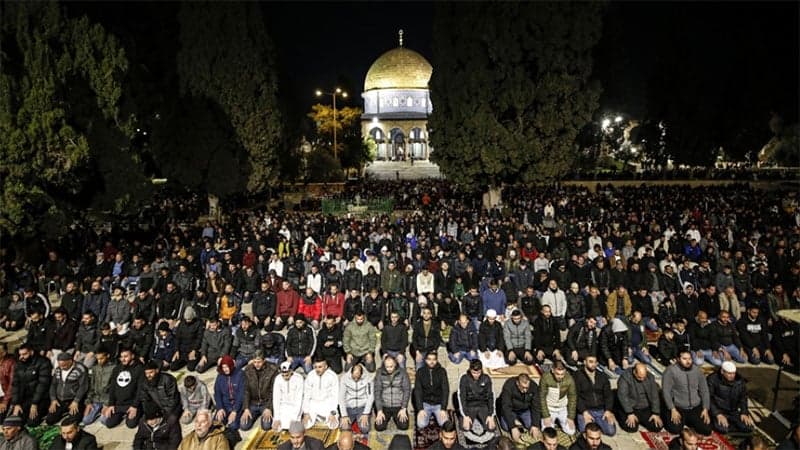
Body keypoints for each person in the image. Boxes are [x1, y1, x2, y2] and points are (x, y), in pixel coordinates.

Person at [662, 349, 712, 436]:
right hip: (678, 407)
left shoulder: (697, 371)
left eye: (689, 358)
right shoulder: (670, 371)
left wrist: (705, 408)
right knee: (675, 429)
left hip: (695, 407)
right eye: (684, 359)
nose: (688, 361)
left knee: (707, 430)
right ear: (678, 359)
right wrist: (672, 409)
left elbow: (704, 390)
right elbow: (666, 391)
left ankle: (689, 421)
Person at [573, 354, 616, 436]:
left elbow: (608, 395)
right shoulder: (577, 376)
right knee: (584, 431)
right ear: (584, 362)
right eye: (590, 362)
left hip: (600, 410)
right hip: (585, 410)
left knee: (611, 431)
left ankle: (596, 423)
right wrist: (584, 412)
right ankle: (594, 424)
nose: (593, 364)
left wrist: (608, 410)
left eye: (595, 362)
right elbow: (576, 396)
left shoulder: (602, 376)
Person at [101, 347, 143, 428]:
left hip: (132, 404)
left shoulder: (139, 369)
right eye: (121, 357)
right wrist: (111, 405)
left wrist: (135, 406)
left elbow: (140, 390)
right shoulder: (117, 369)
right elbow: (112, 388)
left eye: (126, 356)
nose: (123, 359)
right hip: (119, 404)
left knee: (131, 424)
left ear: (132, 356)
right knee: (109, 424)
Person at [707, 361, 754, 434]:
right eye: (729, 373)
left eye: (733, 373)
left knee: (748, 427)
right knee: (723, 429)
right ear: (722, 371)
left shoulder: (740, 381)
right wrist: (717, 414)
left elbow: (743, 398)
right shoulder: (712, 379)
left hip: (733, 411)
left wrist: (744, 412)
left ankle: (730, 424)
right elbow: (709, 398)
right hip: (718, 410)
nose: (732, 376)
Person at [615, 363, 663, 433]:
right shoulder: (625, 378)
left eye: (644, 377)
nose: (642, 379)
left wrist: (655, 413)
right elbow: (623, 396)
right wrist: (630, 413)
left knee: (657, 427)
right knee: (631, 428)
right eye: (639, 377)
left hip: (645, 407)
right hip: (631, 406)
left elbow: (654, 395)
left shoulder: (650, 377)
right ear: (634, 372)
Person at [46, 351, 88, 425]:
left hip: (73, 400)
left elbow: (83, 386)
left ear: (71, 361)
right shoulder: (58, 369)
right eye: (60, 365)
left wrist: (76, 401)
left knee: (73, 421)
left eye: (64, 365)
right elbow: (53, 385)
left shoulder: (80, 369)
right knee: (49, 420)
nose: (62, 367)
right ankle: (64, 411)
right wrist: (53, 399)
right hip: (60, 400)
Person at [241, 351, 279, 432]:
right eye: (254, 362)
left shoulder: (272, 370)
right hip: (253, 403)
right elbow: (246, 390)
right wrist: (246, 408)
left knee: (266, 426)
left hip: (266, 402)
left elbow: (274, 391)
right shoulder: (248, 370)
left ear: (264, 360)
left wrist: (269, 408)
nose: (256, 364)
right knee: (244, 426)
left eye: (259, 362)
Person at [498, 374, 541, 444]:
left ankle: (518, 422)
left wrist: (535, 425)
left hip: (524, 410)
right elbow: (506, 407)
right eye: (523, 387)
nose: (525, 390)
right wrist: (513, 427)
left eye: (527, 388)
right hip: (511, 410)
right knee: (506, 427)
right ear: (517, 383)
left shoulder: (534, 386)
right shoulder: (509, 385)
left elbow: (536, 406)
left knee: (530, 425)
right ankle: (515, 422)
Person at [136, 361, 182, 427]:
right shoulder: (145, 382)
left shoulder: (168, 379)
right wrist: (152, 414)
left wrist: (162, 415)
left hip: (172, 408)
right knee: (143, 422)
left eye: (151, 372)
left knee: (170, 422)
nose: (148, 375)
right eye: (146, 373)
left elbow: (173, 400)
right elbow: (145, 400)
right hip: (158, 408)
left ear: (157, 370)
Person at [457, 359, 496, 435]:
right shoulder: (464, 379)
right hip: (469, 405)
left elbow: (491, 397)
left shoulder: (486, 378)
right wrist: (465, 415)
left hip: (482, 405)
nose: (476, 375)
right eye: (474, 373)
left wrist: (491, 415)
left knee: (491, 428)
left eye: (478, 373)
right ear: (470, 370)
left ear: (481, 370)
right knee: (465, 428)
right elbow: (461, 397)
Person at [413, 351, 449, 430]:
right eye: (429, 359)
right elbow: (418, 391)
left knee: (444, 423)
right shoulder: (420, 372)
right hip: (425, 403)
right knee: (421, 424)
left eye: (434, 359)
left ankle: (436, 414)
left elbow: (445, 390)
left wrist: (443, 408)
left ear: (436, 360)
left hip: (438, 403)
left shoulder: (442, 371)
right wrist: (420, 409)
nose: (431, 362)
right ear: (425, 360)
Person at [374, 355, 411, 432]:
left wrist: (403, 408)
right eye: (387, 367)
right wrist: (379, 410)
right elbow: (377, 392)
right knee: (379, 427)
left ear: (395, 364)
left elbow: (407, 390)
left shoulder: (403, 373)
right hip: (384, 405)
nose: (389, 369)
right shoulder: (379, 373)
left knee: (403, 426)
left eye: (391, 366)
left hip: (398, 405)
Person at [81, 347, 116, 426]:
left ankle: (103, 412)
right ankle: (98, 411)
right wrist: (88, 402)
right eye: (97, 359)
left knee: (104, 421)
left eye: (101, 358)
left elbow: (114, 389)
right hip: (96, 399)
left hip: (108, 399)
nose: (99, 361)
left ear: (107, 356)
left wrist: (107, 404)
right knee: (86, 421)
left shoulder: (114, 368)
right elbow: (91, 387)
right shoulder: (95, 368)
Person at [539, 361, 576, 435]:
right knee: (547, 432)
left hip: (562, 408)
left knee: (571, 431)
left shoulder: (569, 379)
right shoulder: (545, 378)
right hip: (549, 408)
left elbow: (572, 397)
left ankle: (559, 422)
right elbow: (542, 397)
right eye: (557, 374)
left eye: (562, 374)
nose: (560, 376)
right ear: (553, 370)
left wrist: (570, 417)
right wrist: (546, 415)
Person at [302, 357, 340, 429]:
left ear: (326, 366)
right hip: (313, 403)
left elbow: (335, 396)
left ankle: (320, 419)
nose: (317, 369)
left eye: (320, 367)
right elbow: (306, 395)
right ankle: (318, 418)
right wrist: (306, 412)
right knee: (305, 425)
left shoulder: (332, 376)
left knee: (333, 426)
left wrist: (332, 412)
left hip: (327, 403)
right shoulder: (310, 375)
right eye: (315, 367)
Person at [339, 364, 374, 435]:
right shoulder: (344, 378)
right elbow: (341, 397)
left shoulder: (368, 379)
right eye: (354, 377)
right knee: (344, 428)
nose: (356, 379)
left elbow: (371, 397)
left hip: (362, 407)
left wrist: (366, 413)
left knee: (365, 429)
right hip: (349, 407)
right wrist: (344, 415)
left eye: (358, 377)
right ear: (351, 373)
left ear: (362, 374)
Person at [213, 355, 244, 433]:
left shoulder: (240, 374)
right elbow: (217, 393)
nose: (225, 369)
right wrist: (220, 408)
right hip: (225, 405)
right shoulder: (220, 377)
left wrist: (235, 411)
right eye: (223, 367)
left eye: (227, 367)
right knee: (216, 423)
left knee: (232, 426)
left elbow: (241, 395)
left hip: (237, 405)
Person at [272, 361, 304, 431]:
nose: (284, 377)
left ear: (291, 371)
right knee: (277, 428)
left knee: (294, 429)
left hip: (295, 406)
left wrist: (294, 417)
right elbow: (276, 398)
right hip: (283, 406)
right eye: (282, 375)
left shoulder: (299, 378)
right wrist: (277, 418)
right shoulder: (278, 379)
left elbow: (299, 399)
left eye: (286, 375)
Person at [171, 306, 204, 371]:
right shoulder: (181, 324)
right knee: (173, 367)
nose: (188, 321)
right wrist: (176, 350)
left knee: (191, 368)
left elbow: (199, 338)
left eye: (189, 319)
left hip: (192, 349)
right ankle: (184, 361)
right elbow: (177, 338)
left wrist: (194, 350)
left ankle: (192, 360)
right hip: (182, 350)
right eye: (186, 319)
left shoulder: (198, 323)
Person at [0, 344, 16, 420]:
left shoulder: (11, 363)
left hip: (6, 396)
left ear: (4, 353)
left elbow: (12, 384)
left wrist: (5, 402)